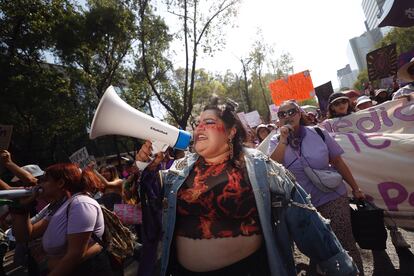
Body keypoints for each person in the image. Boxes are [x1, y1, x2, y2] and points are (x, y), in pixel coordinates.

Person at [136, 97, 358, 276]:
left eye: (209, 122)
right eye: (197, 124)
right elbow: (142, 206)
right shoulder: (177, 171)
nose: (199, 128)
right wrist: (144, 167)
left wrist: (338, 265)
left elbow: (306, 221)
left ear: (232, 131)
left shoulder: (263, 169)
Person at [268, 100, 365, 274]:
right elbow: (273, 167)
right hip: (302, 204)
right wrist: (283, 140)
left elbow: (337, 161)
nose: (288, 116)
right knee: (317, 249)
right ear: (279, 120)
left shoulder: (319, 132)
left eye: (291, 111)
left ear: (299, 113)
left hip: (332, 196)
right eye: (282, 114)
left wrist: (356, 188)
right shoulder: (275, 141)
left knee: (345, 242)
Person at [10, 163, 114, 276]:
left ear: (60, 183)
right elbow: (24, 235)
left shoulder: (80, 203)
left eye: (45, 180)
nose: (39, 185)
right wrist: (22, 208)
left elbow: (75, 254)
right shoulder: (57, 206)